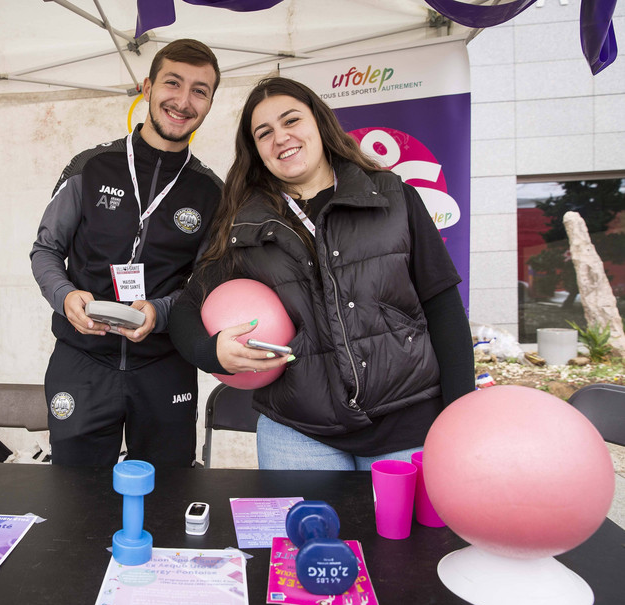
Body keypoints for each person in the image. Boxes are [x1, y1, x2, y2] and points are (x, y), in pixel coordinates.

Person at [168, 77, 475, 471]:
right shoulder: (243, 225)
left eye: (291, 120)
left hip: (408, 425)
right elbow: (185, 307)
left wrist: (461, 415)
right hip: (299, 432)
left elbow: (444, 307)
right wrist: (211, 353)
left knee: (408, 535)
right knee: (308, 536)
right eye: (264, 133)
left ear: (319, 123)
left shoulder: (392, 196)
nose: (281, 137)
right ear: (256, 151)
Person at [30, 39, 223, 468]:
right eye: (173, 83)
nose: (183, 100)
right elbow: (45, 250)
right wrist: (65, 296)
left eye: (199, 90)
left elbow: (207, 286)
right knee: (76, 496)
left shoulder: (211, 192)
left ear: (210, 102)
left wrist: (161, 311)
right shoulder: (91, 166)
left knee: (167, 495)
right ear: (148, 86)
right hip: (81, 359)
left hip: (164, 364)